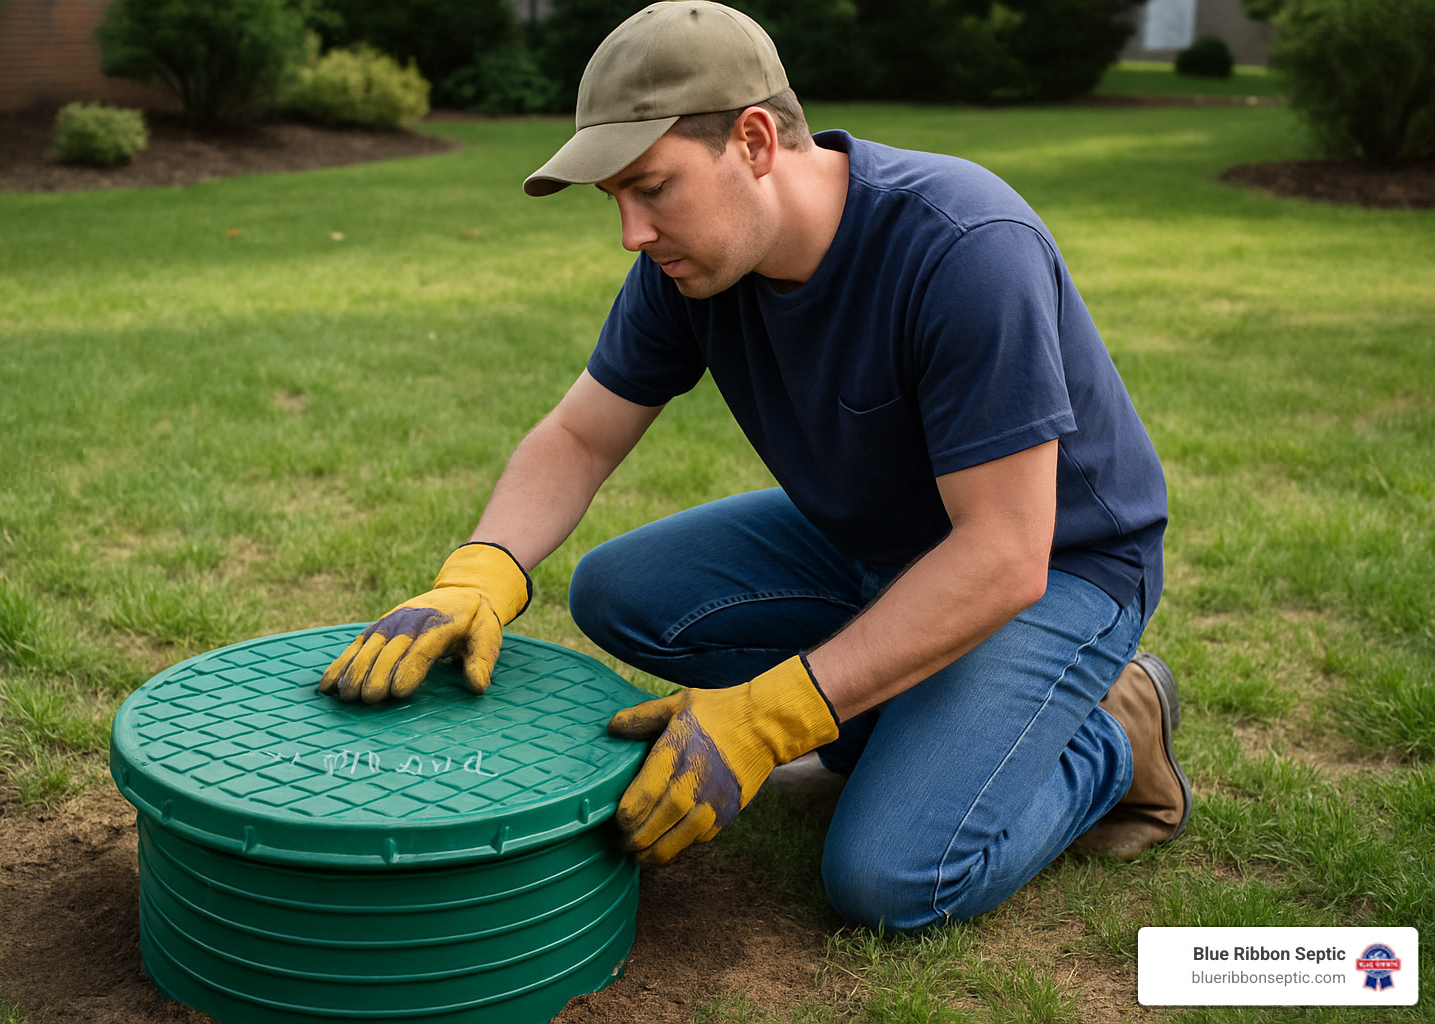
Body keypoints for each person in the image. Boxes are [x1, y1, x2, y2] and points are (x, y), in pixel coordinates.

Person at [318, 0, 1191, 932]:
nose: (631, 233)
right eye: (613, 198)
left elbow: (1006, 553)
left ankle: (1109, 732)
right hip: (871, 541)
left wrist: (770, 716)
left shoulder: (963, 248)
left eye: (652, 187)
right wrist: (480, 573)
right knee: (621, 590)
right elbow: (579, 435)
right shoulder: (687, 268)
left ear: (755, 139)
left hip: (1061, 565)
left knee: (891, 879)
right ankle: (906, 722)